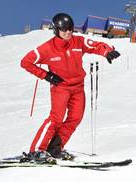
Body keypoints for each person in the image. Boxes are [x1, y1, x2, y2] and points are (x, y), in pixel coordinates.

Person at [20, 13, 121, 163]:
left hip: (78, 87)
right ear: (56, 30)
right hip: (60, 87)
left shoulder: (78, 41)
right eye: (64, 29)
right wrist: (46, 75)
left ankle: (55, 149)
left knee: (75, 118)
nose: (68, 32)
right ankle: (36, 151)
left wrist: (107, 51)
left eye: (71, 29)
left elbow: (95, 45)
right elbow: (25, 62)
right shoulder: (47, 48)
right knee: (56, 118)